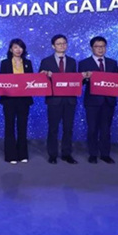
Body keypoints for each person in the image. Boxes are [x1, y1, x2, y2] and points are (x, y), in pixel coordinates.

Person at [39, 34, 79, 164]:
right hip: (54, 100)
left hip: (70, 100)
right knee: (53, 128)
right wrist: (44, 75)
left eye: (64, 43)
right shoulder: (46, 61)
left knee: (68, 128)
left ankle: (67, 154)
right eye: (58, 44)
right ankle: (52, 154)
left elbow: (75, 80)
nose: (62, 46)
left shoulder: (72, 61)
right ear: (53, 46)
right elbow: (41, 81)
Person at [79, 36, 118, 164]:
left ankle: (105, 154)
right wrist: (84, 77)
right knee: (92, 129)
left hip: (108, 101)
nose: (100, 49)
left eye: (103, 46)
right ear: (92, 48)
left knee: (106, 129)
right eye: (97, 46)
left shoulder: (112, 63)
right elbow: (80, 83)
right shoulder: (84, 63)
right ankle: (93, 154)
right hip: (92, 102)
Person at [0, 38, 34, 164]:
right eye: (15, 47)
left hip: (24, 100)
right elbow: (2, 81)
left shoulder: (28, 63)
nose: (18, 50)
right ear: (11, 50)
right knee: (9, 126)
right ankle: (11, 155)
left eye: (20, 47)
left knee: (22, 126)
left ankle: (22, 154)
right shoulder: (5, 63)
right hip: (9, 100)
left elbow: (31, 80)